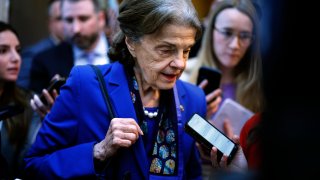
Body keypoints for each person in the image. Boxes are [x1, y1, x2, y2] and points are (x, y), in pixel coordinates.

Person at [24, 0, 206, 179]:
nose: (180, 63)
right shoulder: (85, 84)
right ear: (132, 43)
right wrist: (99, 151)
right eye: (166, 50)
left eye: (186, 50)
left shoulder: (194, 98)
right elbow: (33, 166)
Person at [29, 0, 111, 118]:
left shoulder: (125, 55)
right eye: (69, 20)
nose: (75, 29)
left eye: (83, 19)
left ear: (101, 18)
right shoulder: (44, 62)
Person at [181, 0, 264, 115]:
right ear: (211, 33)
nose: (235, 45)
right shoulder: (181, 75)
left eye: (245, 36)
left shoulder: (259, 87)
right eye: (227, 33)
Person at [0, 21, 41, 179]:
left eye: (18, 51)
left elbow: (25, 164)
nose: (16, 58)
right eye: (3, 51)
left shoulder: (27, 103)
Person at [17, 0, 64, 89]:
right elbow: (23, 92)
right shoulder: (34, 54)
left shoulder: (82, 51)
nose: (66, 23)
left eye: (69, 18)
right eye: (60, 18)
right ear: (50, 23)